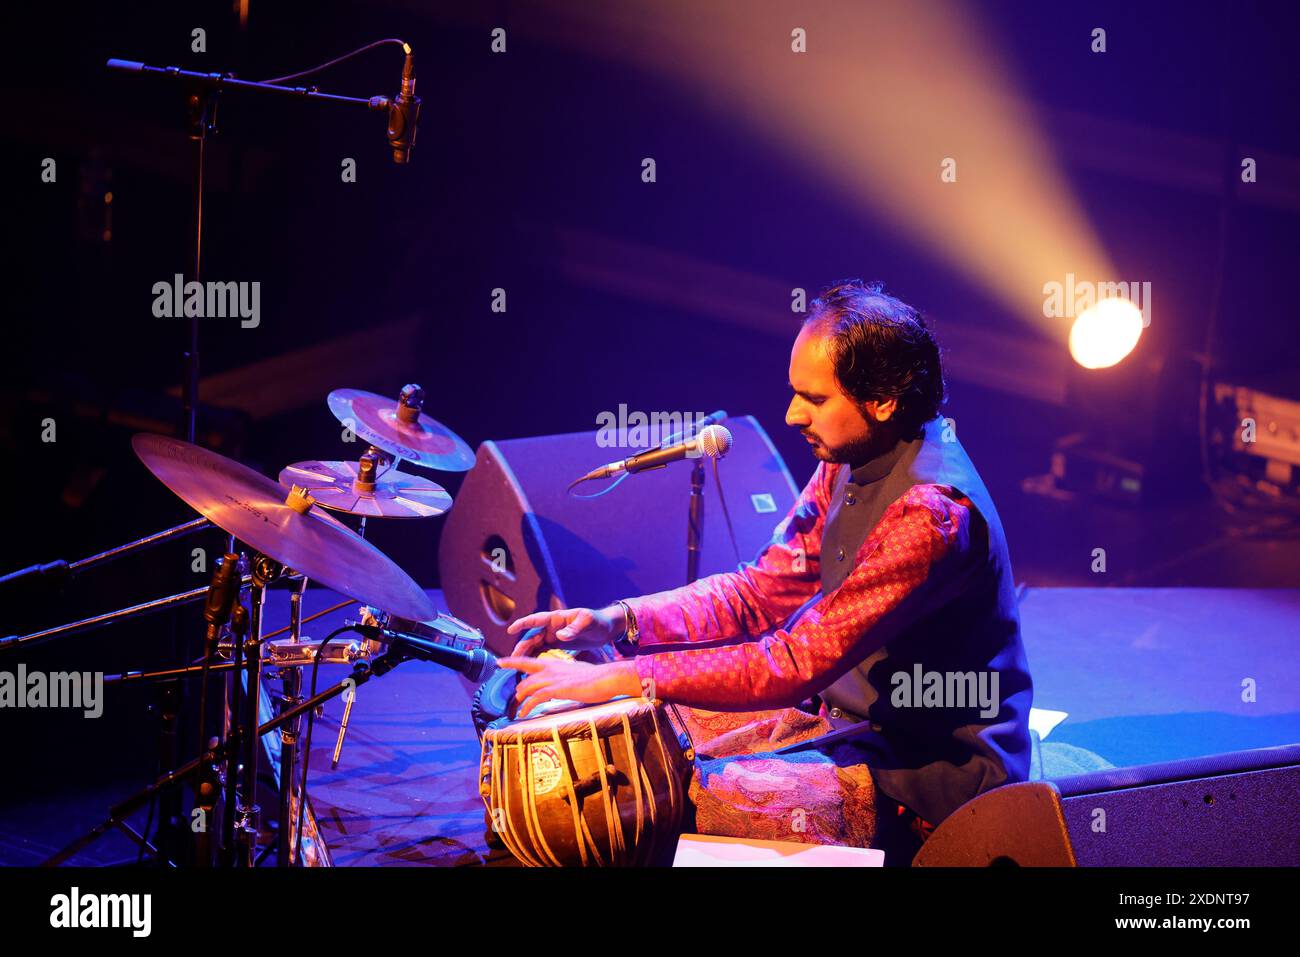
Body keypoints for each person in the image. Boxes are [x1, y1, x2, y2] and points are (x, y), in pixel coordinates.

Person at [499, 279, 1033, 854]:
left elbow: (796, 660)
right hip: (848, 717)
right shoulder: (852, 457)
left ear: (882, 400)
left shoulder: (931, 516)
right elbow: (757, 593)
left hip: (930, 767)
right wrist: (620, 622)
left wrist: (626, 674)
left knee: (689, 798)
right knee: (646, 733)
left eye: (816, 399)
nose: (791, 414)